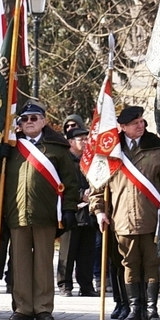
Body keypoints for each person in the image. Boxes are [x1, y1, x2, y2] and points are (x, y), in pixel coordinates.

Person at [0, 102, 79, 320]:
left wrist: (69, 209)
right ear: (18, 124)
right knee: (19, 263)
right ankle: (23, 307)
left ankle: (43, 307)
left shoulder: (57, 148)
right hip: (16, 212)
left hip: (46, 214)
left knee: (43, 263)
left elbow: (70, 181)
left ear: (44, 121)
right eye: (25, 119)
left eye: (34, 118)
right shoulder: (11, 146)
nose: (30, 122)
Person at [91, 106, 160, 320]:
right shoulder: (111, 151)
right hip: (122, 219)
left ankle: (151, 311)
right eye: (135, 123)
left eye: (142, 121)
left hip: (152, 217)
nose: (141, 125)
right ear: (122, 127)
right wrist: (98, 211)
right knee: (129, 264)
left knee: (152, 265)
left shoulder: (156, 148)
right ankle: (134, 309)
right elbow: (98, 186)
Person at [57, 127, 97, 297]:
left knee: (87, 253)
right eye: (81, 139)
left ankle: (86, 285)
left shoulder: (90, 162)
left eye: (87, 139)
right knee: (67, 252)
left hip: (89, 214)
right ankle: (64, 284)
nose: (85, 142)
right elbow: (62, 186)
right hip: (71, 212)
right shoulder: (65, 161)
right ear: (71, 142)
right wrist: (81, 195)